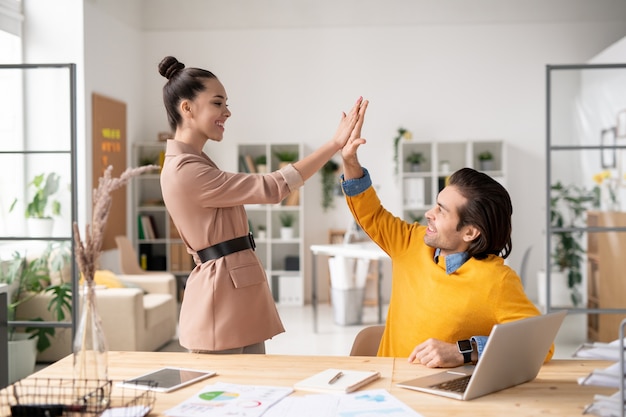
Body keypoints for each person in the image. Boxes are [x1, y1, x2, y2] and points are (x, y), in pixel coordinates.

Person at [157, 55, 365, 354]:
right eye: (218, 103)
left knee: (253, 395)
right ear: (186, 107)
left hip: (234, 292)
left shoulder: (194, 162)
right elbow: (271, 188)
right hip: (220, 300)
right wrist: (333, 145)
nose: (227, 112)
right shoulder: (185, 170)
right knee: (225, 397)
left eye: (226, 104)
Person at [340, 104, 550, 368]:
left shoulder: (497, 281)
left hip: (442, 399)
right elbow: (370, 212)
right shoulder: (410, 243)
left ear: (470, 231)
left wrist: (465, 350)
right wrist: (349, 160)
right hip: (387, 390)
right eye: (435, 204)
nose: (429, 213)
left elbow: (539, 344)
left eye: (441, 210)